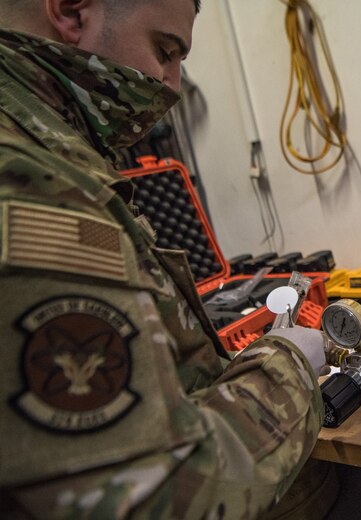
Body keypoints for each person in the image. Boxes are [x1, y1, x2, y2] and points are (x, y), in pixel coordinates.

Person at [0, 1, 330, 517]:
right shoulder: (35, 184)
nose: (172, 84)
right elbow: (154, 493)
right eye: (165, 50)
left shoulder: (54, 151)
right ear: (69, 11)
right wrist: (285, 363)